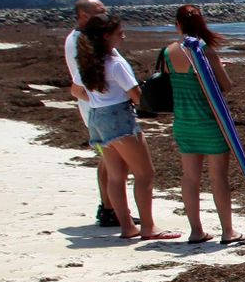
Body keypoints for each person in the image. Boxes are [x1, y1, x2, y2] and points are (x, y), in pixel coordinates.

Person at [68, 14, 180, 241]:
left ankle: (127, 226)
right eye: (120, 33)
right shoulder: (115, 63)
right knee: (144, 173)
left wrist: (98, 100)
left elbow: (76, 91)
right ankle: (148, 227)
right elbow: (136, 96)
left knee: (116, 175)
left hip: (97, 117)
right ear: (107, 36)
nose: (124, 36)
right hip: (118, 117)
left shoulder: (88, 61)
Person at [163, 5, 245, 245]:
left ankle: (196, 231)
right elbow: (226, 86)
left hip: (183, 121)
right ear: (202, 24)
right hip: (209, 122)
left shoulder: (168, 52)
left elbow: (172, 81)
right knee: (218, 177)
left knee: (189, 177)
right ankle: (228, 231)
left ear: (177, 25)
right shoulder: (203, 51)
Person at [66, 0, 118, 226]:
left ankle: (109, 207)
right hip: (100, 111)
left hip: (99, 109)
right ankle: (109, 209)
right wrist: (103, 101)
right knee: (112, 160)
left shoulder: (85, 39)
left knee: (108, 159)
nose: (105, 14)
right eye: (100, 11)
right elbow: (79, 86)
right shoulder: (81, 41)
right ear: (84, 15)